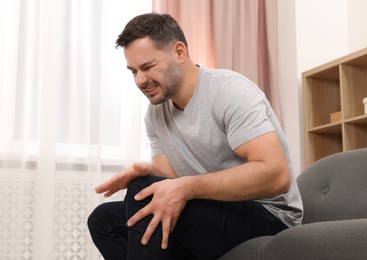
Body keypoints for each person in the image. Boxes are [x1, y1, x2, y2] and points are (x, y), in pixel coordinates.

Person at [88, 12, 303, 260]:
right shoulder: (156, 114)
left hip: (271, 217)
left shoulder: (229, 91)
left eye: (147, 67)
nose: (140, 80)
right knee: (103, 220)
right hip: (213, 210)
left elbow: (276, 176)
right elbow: (169, 182)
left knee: (141, 190)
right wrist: (147, 172)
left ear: (179, 52)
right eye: (133, 71)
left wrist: (186, 186)